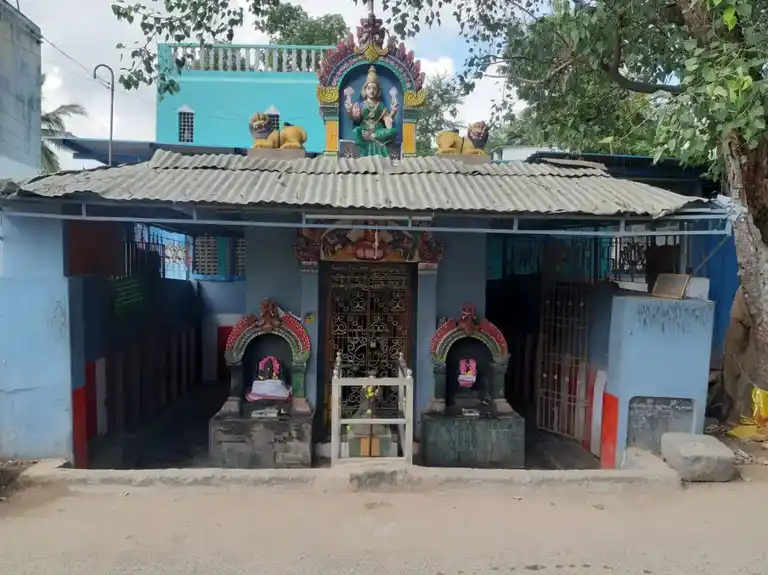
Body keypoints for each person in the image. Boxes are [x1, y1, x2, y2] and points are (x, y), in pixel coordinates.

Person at [345, 66, 398, 157]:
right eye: (369, 88)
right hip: (364, 129)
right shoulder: (361, 104)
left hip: (378, 131)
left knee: (393, 131)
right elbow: (356, 119)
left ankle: (372, 137)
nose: (371, 91)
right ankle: (364, 147)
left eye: (374, 88)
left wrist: (393, 111)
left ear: (378, 91)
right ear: (365, 90)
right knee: (356, 131)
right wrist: (350, 110)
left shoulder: (380, 105)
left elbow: (388, 121)